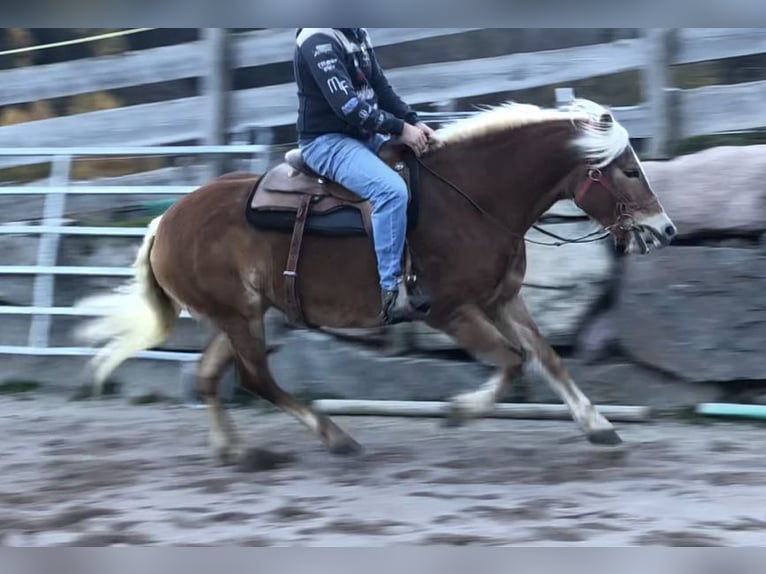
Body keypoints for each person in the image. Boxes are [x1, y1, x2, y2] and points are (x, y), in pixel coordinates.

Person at [293, 27, 436, 324]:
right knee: (392, 191)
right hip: (326, 141)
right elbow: (347, 106)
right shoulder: (317, 39)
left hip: (363, 134)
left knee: (427, 168)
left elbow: (380, 89)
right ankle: (389, 291)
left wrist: (414, 122)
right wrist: (400, 129)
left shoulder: (357, 32)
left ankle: (421, 266)